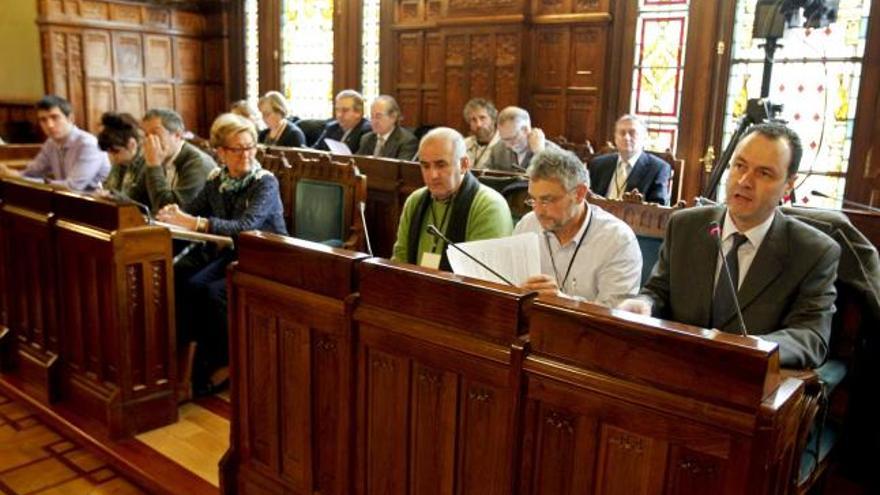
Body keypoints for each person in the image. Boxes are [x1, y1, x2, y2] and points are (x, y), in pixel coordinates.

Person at [618, 123, 840, 369]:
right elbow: (658, 292)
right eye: (740, 166)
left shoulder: (813, 252)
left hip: (746, 383)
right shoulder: (685, 226)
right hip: (674, 369)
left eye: (764, 173)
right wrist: (644, 304)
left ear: (789, 185)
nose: (744, 181)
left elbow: (811, 335)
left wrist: (754, 349)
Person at [157, 113, 287, 395]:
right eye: (237, 149)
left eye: (251, 146)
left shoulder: (265, 181)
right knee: (186, 282)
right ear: (220, 151)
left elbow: (245, 227)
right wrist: (172, 215)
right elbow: (191, 208)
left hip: (268, 255)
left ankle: (231, 362)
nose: (246, 154)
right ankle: (191, 363)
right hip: (233, 253)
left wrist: (196, 223)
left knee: (212, 292)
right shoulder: (218, 178)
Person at [514, 148, 642, 306]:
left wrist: (562, 302)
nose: (538, 211)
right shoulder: (527, 226)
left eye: (547, 200)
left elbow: (616, 316)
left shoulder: (617, 241)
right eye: (533, 200)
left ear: (580, 194)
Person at [392, 127, 513, 270]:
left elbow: (482, 277)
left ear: (464, 164)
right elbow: (400, 259)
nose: (433, 175)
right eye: (425, 166)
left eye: (441, 165)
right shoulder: (415, 200)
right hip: (415, 289)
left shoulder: (489, 206)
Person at [0, 94, 109, 191]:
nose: (49, 125)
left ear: (70, 118)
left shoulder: (88, 144)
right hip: (68, 202)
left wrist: (40, 182)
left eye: (55, 117)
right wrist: (7, 172)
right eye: (43, 120)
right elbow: (31, 173)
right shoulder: (50, 143)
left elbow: (73, 187)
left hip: (96, 205)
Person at [142, 108, 217, 211]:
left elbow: (169, 209)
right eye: (146, 135)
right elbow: (137, 202)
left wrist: (154, 166)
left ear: (177, 135)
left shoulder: (197, 163)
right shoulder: (157, 156)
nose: (150, 141)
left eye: (155, 134)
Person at [588, 114, 672, 205]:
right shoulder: (598, 164)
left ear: (644, 137)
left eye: (632, 133)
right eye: (622, 133)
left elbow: (658, 207)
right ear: (615, 137)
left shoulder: (658, 168)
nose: (626, 138)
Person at [97, 112, 150, 207]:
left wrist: (110, 195)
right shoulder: (121, 161)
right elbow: (109, 188)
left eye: (116, 152)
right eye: (108, 152)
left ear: (132, 144)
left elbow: (133, 200)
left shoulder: (148, 162)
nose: (111, 157)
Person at [485, 106, 559, 172]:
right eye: (504, 139)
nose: (508, 145)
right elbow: (484, 177)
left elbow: (557, 181)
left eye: (512, 138)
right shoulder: (498, 149)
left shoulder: (553, 151)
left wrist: (539, 153)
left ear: (525, 130)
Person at [356, 95, 419, 161]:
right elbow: (357, 163)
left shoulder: (407, 141)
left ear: (393, 117)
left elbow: (402, 169)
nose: (374, 121)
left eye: (378, 116)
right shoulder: (366, 139)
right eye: (372, 116)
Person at [462, 98, 500, 169]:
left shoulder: (505, 146)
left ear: (493, 119)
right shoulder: (463, 145)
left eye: (482, 118)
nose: (478, 124)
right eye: (473, 119)